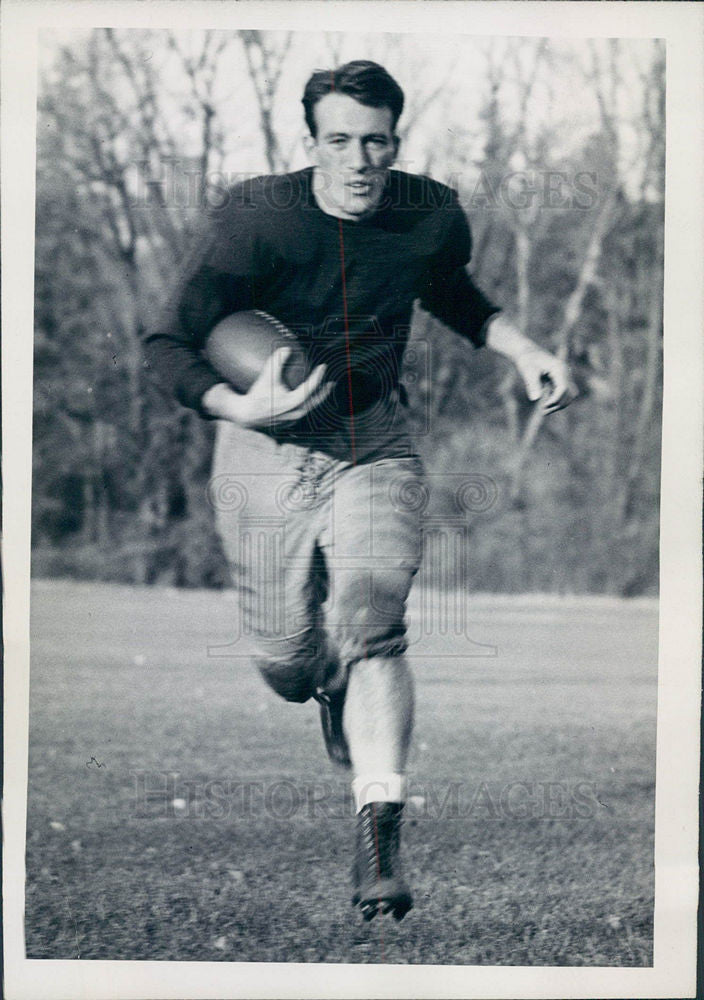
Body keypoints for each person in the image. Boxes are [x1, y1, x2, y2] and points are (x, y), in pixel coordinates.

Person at [144, 60, 576, 921]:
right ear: (311, 143)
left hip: (372, 437)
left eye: (375, 140)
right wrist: (238, 401)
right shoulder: (256, 218)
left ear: (396, 140)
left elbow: (450, 291)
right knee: (286, 664)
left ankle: (378, 837)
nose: (359, 161)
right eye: (339, 140)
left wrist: (523, 348)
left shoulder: (428, 212)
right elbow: (167, 339)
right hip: (264, 446)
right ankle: (328, 690)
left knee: (373, 621)